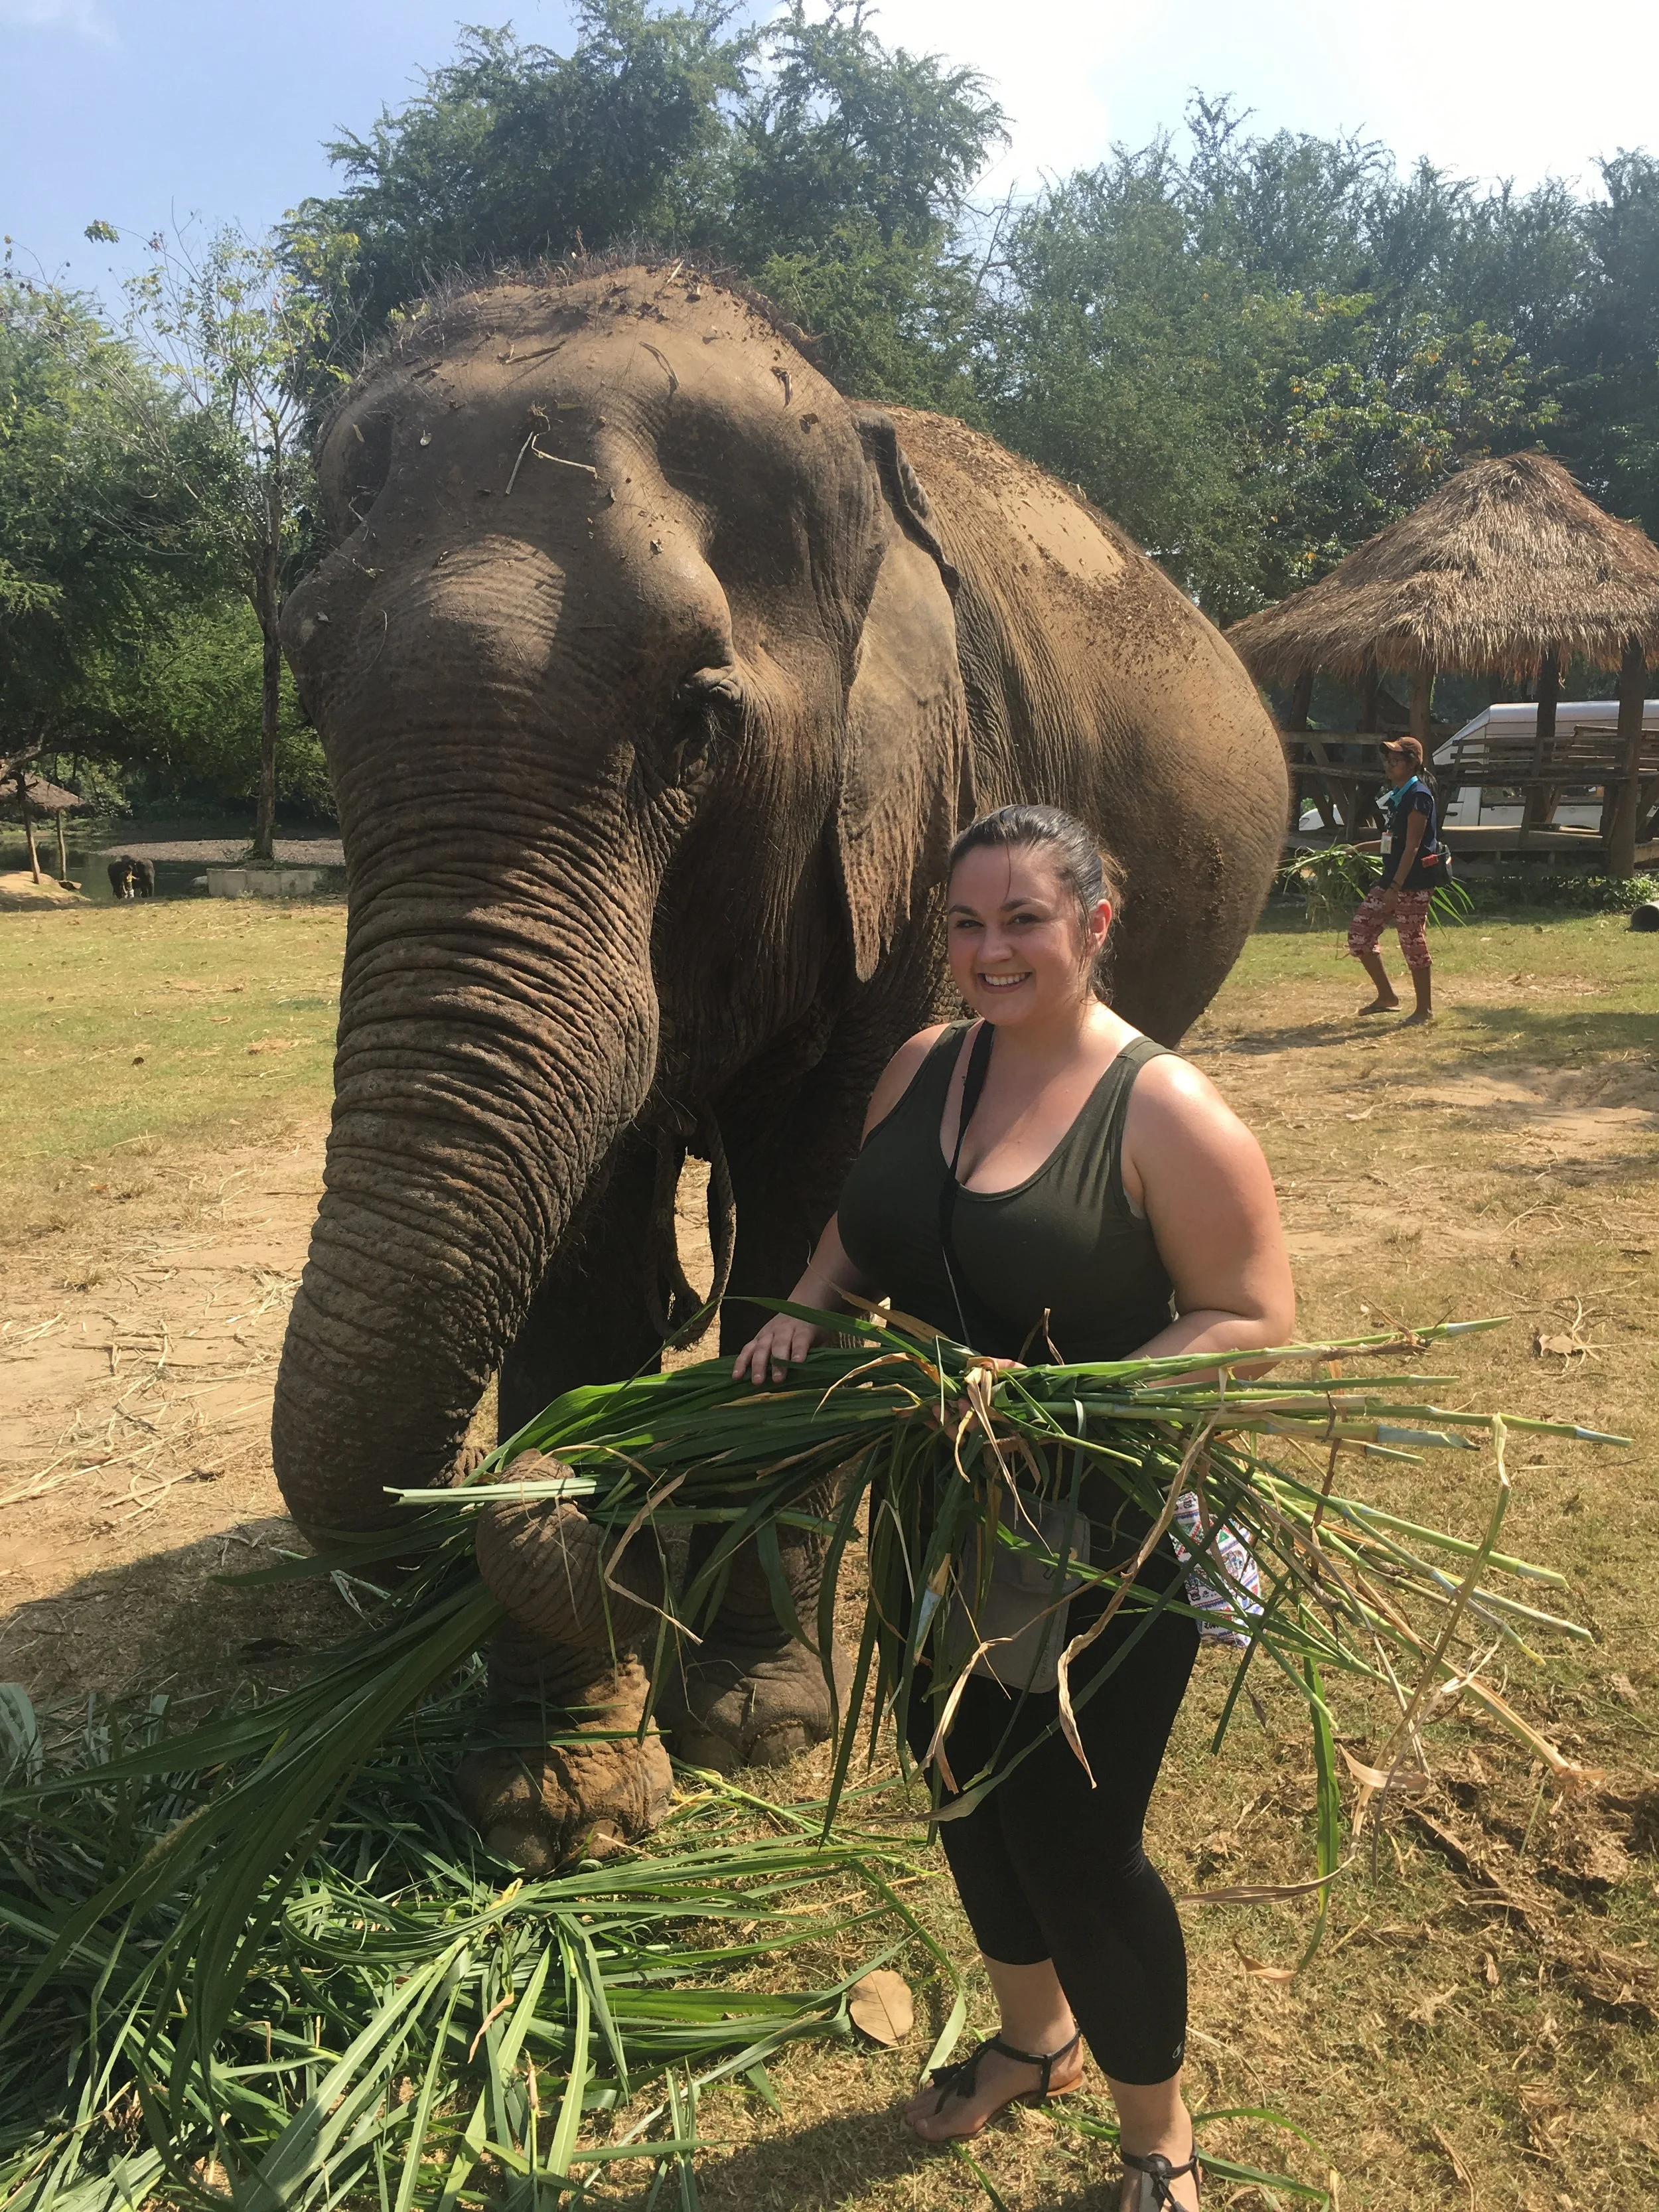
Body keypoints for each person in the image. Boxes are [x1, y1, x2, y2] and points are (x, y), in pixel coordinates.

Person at [733, 804, 1295, 2212]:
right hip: (937, 1510)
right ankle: (1032, 2041)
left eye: (1023, 920)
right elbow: (864, 1227)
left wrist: (1057, 1396)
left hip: (1101, 1532)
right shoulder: (926, 1063)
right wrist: (804, 1314)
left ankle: (1154, 2141)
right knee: (963, 1795)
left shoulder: (1162, 1107)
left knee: (1075, 1844)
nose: (989, 950)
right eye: (968, 923)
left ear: (1094, 924)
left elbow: (1249, 1319)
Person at [1347, 736, 1445, 1024]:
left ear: (1412, 763)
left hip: (1411, 883)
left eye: (1395, 761)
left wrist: (1395, 889)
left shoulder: (1419, 797)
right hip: (1391, 879)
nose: (1389, 766)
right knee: (1360, 934)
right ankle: (1387, 997)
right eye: (1387, 761)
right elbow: (1394, 842)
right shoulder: (1399, 794)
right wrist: (1359, 848)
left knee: (1412, 942)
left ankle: (1424, 1011)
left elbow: (1413, 847)